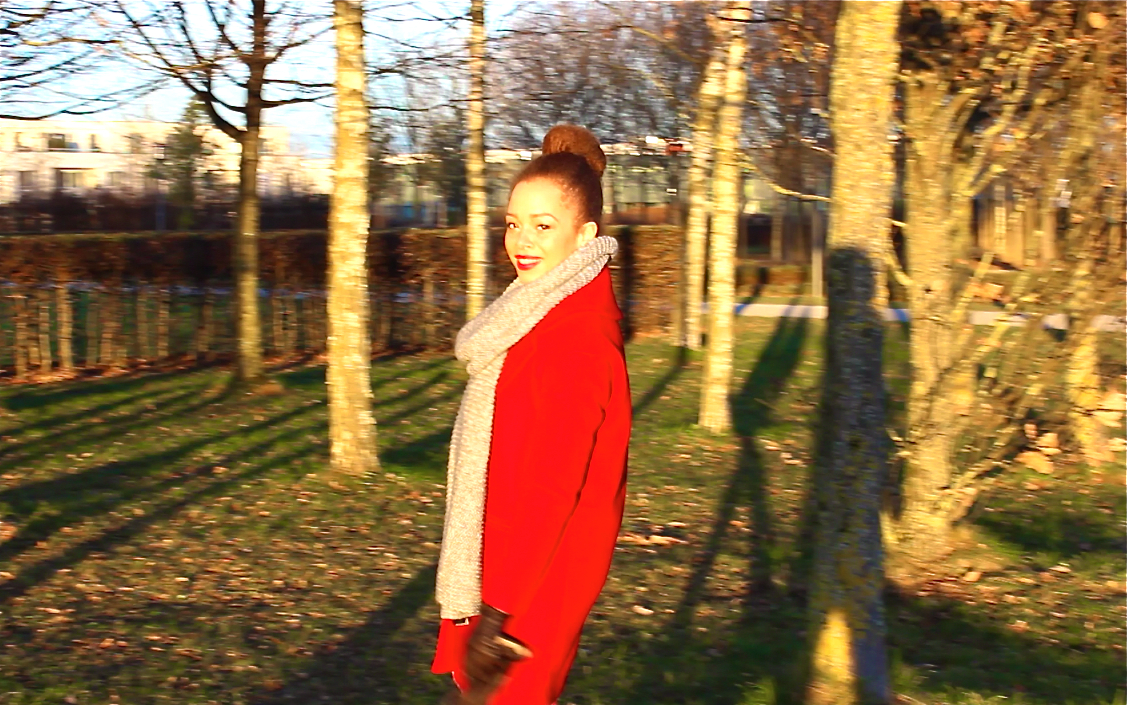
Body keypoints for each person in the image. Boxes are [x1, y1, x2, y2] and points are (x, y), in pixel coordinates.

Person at [431, 124, 633, 705]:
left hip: (534, 586)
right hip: (511, 570)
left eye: (543, 226)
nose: (522, 240)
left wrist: (497, 615)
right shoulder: (534, 313)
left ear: (585, 234)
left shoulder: (575, 337)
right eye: (513, 224)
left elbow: (551, 490)